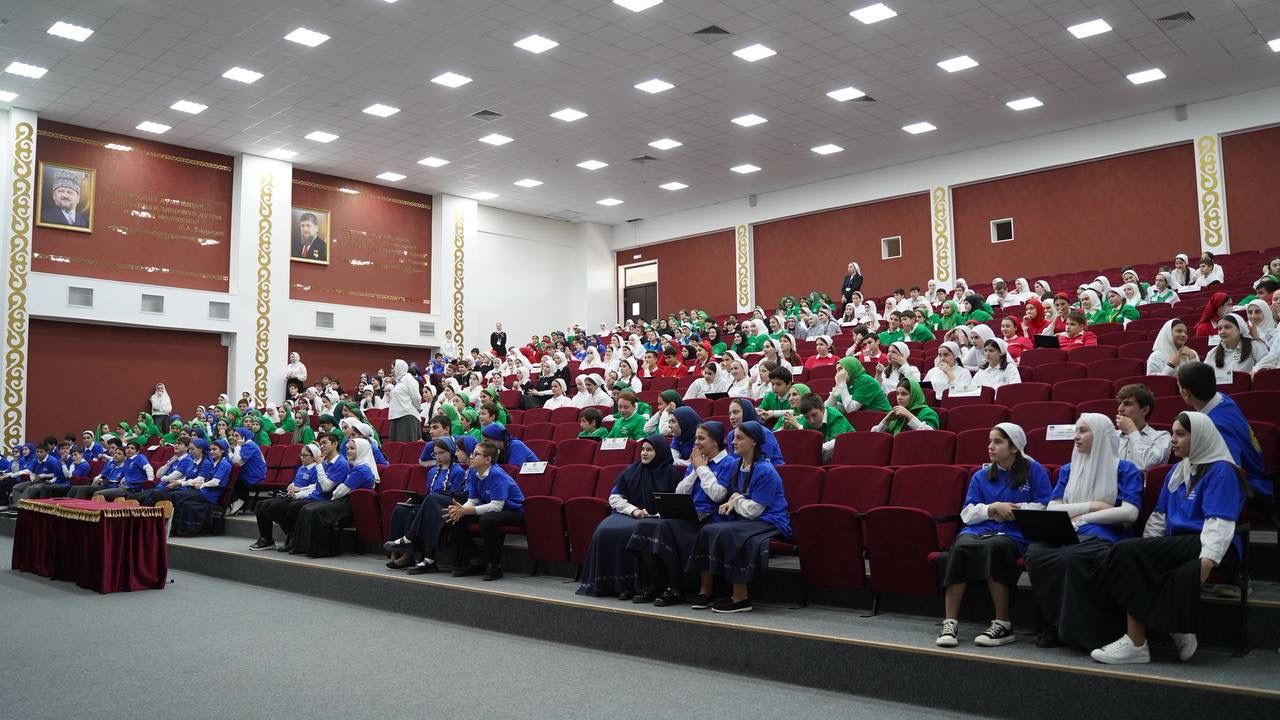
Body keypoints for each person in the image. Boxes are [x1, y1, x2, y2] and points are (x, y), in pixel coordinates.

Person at [1090, 412, 1244, 664]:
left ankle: (1139, 642)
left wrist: (1208, 560)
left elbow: (1220, 522)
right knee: (1127, 555)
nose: (1173, 440)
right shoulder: (1177, 471)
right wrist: (1148, 548)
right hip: (1179, 543)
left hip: (1212, 544)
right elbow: (1159, 517)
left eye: (1180, 434)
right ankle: (1167, 630)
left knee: (1125, 551)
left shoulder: (1221, 471)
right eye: (1173, 433)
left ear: (1201, 437)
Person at [1024, 414, 1143, 650]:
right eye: (1076, 431)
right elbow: (1053, 508)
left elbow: (1129, 513)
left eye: (1083, 431)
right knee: (1036, 553)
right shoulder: (1068, 469)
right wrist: (1093, 506)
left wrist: (1082, 517)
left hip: (1105, 534)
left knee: (1072, 557)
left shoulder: (1125, 469)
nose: (1076, 436)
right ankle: (1055, 623)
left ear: (1100, 435)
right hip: (1067, 531)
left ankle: (1082, 632)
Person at [936, 423, 1052, 648]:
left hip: (1014, 533)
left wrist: (1014, 510)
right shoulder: (981, 475)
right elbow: (967, 513)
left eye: (997, 442)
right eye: (990, 441)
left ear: (1014, 447)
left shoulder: (1034, 471)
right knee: (959, 546)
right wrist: (992, 508)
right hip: (978, 530)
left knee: (995, 547)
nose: (990, 446)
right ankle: (949, 622)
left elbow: (1045, 506)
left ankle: (1003, 623)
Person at [683, 421, 790, 614]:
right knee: (709, 530)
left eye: (740, 438)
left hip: (770, 520)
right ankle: (707, 590)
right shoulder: (740, 466)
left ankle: (741, 598)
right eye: (733, 438)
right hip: (750, 518)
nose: (733, 442)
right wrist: (736, 498)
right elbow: (743, 495)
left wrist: (735, 501)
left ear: (754, 441)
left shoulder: (765, 469)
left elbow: (755, 510)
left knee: (730, 533)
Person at [627, 422, 734, 607]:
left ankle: (676, 587)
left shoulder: (729, 463)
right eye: (695, 438)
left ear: (715, 442)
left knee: (665, 528)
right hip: (691, 514)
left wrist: (701, 468)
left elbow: (717, 495)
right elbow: (680, 491)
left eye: (701, 438)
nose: (696, 443)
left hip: (712, 517)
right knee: (645, 526)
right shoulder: (697, 460)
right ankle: (656, 585)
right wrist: (695, 470)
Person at [577, 435, 682, 599]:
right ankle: (613, 586)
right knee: (604, 530)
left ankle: (638, 586)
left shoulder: (671, 473)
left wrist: (653, 515)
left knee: (634, 531)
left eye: (649, 450)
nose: (644, 453)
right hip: (630, 513)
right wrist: (634, 511)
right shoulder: (632, 470)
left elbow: (675, 502)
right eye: (642, 449)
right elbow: (614, 497)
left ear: (660, 451)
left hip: (658, 517)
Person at [1176, 362, 1269, 500]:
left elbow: (1230, 472)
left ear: (1186, 393)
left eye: (1179, 387)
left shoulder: (1215, 426)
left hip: (1250, 487)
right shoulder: (1222, 398)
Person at [383, 437, 471, 573]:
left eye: (441, 453)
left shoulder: (458, 471)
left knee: (416, 512)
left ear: (451, 452)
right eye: (435, 454)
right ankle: (405, 553)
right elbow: (429, 492)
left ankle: (419, 553)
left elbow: (456, 495)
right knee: (402, 509)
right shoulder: (432, 472)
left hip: (445, 506)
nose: (438, 457)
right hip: (431, 503)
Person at [445, 441, 525, 581]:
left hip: (513, 511)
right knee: (454, 518)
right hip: (492, 510)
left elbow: (497, 506)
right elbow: (473, 500)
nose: (471, 456)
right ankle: (476, 560)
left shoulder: (496, 474)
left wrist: (466, 511)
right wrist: (460, 510)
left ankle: (494, 565)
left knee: (487, 519)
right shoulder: (474, 473)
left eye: (476, 454)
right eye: (472, 453)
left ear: (487, 459)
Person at [293, 437, 378, 557]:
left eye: (352, 448)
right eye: (347, 448)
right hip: (345, 501)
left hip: (349, 504)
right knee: (308, 508)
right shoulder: (357, 466)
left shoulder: (361, 470)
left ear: (362, 451)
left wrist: (336, 493)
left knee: (315, 510)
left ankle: (323, 550)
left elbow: (340, 492)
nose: (348, 451)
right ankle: (307, 547)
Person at [250, 443, 322, 551]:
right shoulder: (301, 468)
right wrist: (291, 486)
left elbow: (314, 487)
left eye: (305, 455)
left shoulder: (316, 469)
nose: (302, 458)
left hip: (303, 497)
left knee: (273, 507)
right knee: (260, 505)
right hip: (292, 495)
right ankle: (266, 538)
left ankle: (292, 534)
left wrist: (299, 489)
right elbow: (295, 481)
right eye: (301, 455)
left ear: (313, 457)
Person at [1115, 384, 1172, 471]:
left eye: (1127, 404)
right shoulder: (1112, 437)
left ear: (1145, 410)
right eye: (1120, 403)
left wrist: (1132, 431)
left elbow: (1149, 464)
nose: (1120, 409)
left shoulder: (1162, 436)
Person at [871, 378, 940, 434]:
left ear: (914, 395)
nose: (899, 397)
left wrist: (909, 415)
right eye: (897, 394)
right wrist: (886, 420)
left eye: (904, 394)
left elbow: (929, 435)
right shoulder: (897, 415)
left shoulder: (928, 413)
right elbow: (876, 436)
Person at [827, 357, 892, 414]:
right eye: (837, 371)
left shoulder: (866, 380)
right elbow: (828, 407)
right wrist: (837, 385)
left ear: (850, 368)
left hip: (882, 418)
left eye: (841, 369)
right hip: (866, 418)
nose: (839, 374)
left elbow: (850, 409)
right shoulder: (848, 383)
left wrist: (842, 383)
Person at [388, 358, 422, 442]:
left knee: (406, 445)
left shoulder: (409, 379)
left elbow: (416, 397)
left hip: (407, 417)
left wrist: (418, 408)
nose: (391, 371)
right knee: (396, 446)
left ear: (399, 367)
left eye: (393, 368)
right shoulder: (399, 382)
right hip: (397, 416)